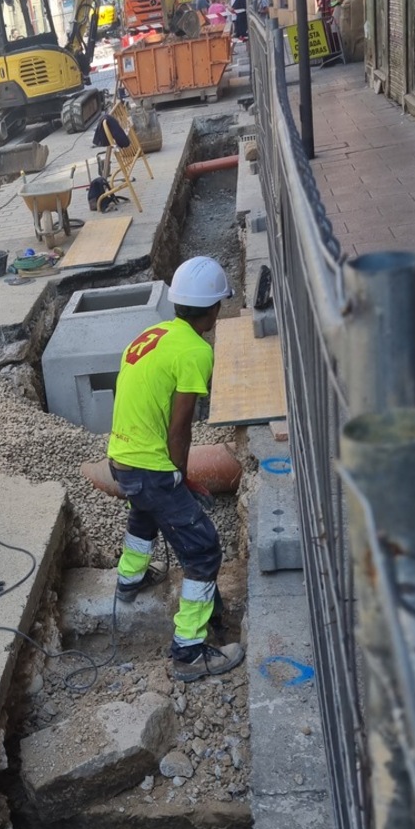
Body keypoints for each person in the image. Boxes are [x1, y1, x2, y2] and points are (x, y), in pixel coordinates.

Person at [107, 257, 245, 682]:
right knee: (203, 550)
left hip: (120, 457)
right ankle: (188, 650)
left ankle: (129, 580)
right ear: (214, 309)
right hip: (151, 467)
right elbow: (180, 425)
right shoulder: (196, 351)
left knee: (144, 512)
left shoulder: (152, 334)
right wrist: (179, 475)